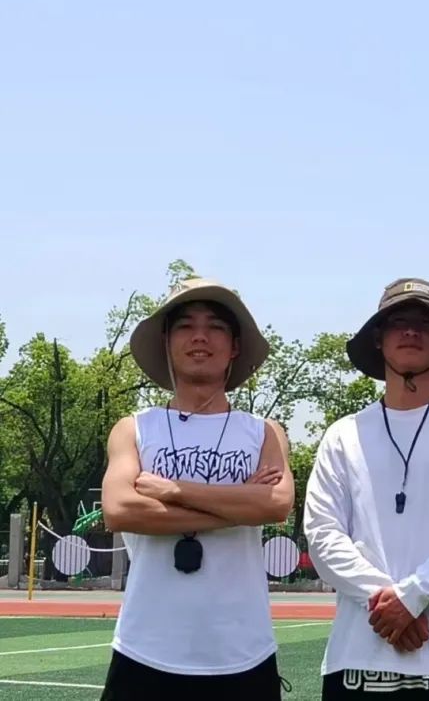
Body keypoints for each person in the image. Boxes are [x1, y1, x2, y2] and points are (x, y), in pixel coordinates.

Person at [304, 278, 429, 699]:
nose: (411, 331)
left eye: (426, 323)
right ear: (378, 338)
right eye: (398, 322)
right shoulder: (343, 434)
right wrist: (390, 603)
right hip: (358, 655)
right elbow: (323, 536)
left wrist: (413, 596)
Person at [100, 277, 295, 700]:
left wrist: (172, 491)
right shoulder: (134, 428)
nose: (200, 337)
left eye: (216, 327)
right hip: (146, 649)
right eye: (186, 326)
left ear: (235, 346)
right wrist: (240, 505)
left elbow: (277, 504)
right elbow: (119, 510)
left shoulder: (264, 432)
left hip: (243, 651)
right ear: (167, 341)